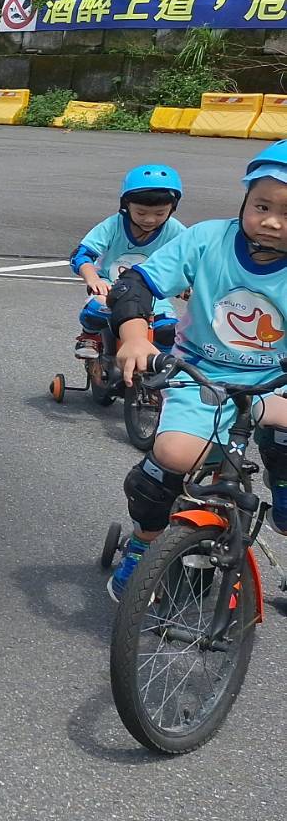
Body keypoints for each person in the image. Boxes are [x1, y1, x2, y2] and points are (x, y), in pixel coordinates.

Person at [108, 140, 287, 601]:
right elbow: (136, 283)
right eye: (261, 205)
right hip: (204, 374)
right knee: (172, 457)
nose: (270, 221)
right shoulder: (208, 239)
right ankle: (144, 545)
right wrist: (133, 335)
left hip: (279, 386)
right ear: (245, 200)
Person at [69, 165, 187, 360]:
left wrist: (187, 284)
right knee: (97, 309)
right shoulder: (113, 225)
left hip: (154, 292)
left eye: (160, 214)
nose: (150, 220)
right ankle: (89, 335)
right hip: (110, 287)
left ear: (171, 209)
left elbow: (193, 260)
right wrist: (93, 279)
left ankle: (160, 368)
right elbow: (81, 255)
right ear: (126, 205)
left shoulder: (175, 230)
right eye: (141, 213)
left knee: (167, 330)